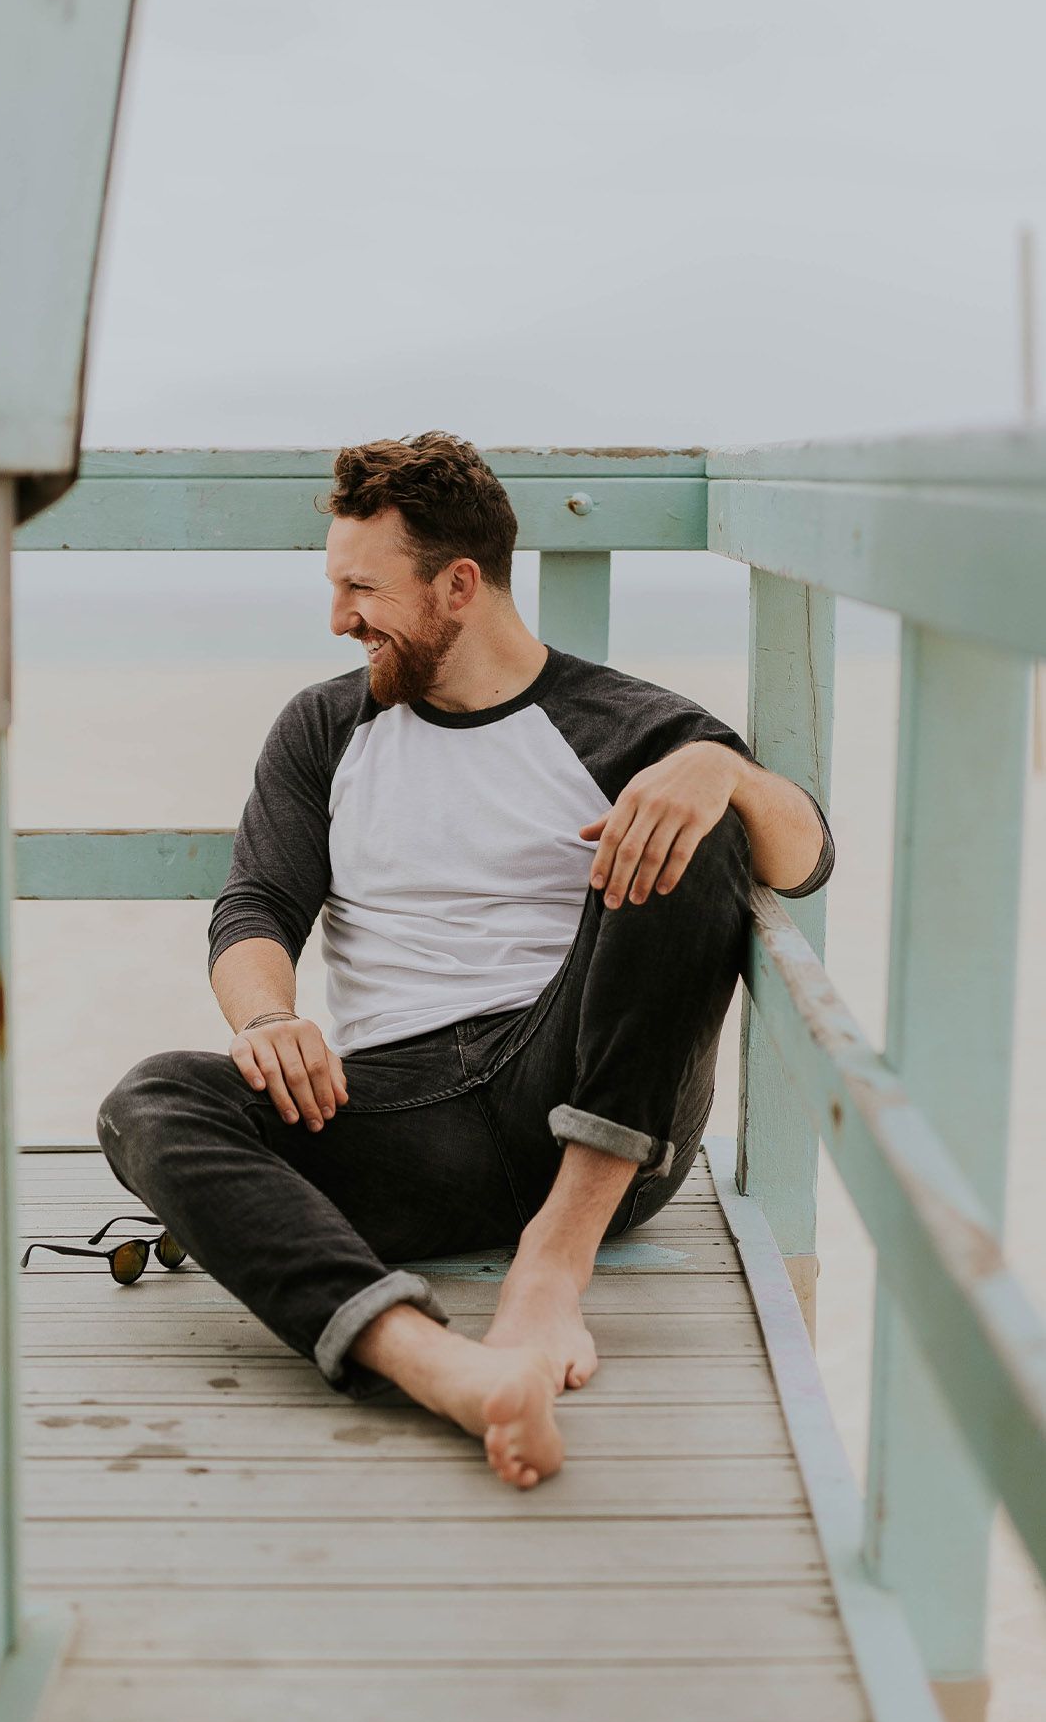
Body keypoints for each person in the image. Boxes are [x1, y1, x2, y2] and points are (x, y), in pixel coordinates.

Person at [97, 433, 834, 1489]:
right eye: (333, 584)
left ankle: (552, 1263)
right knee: (150, 1099)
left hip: (586, 1094)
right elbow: (256, 905)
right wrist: (267, 1020)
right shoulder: (323, 727)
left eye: (362, 586)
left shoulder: (625, 722)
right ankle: (437, 1364)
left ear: (458, 585)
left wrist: (718, 766)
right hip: (401, 1113)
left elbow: (804, 859)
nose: (339, 616)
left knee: (700, 819)